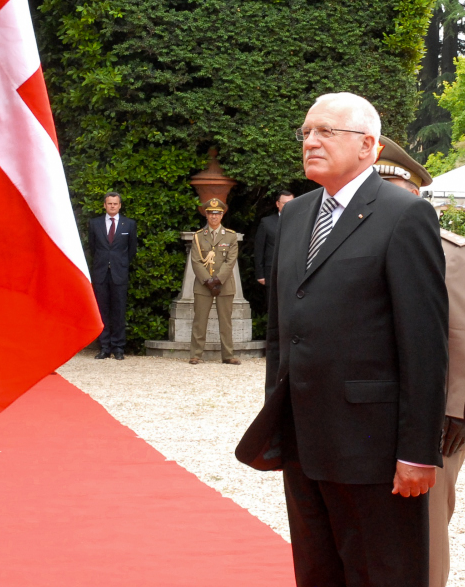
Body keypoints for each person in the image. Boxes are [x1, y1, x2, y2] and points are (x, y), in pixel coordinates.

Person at [237, 93, 449, 587]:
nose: (310, 141)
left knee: (383, 572)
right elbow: (280, 332)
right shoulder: (295, 216)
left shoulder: (403, 215)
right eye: (307, 132)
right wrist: (278, 419)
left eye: (326, 132)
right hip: (304, 441)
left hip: (372, 449)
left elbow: (424, 344)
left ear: (368, 145)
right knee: (317, 571)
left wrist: (418, 450)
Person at [374, 136, 465, 587]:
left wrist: (459, 411)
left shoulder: (449, 252)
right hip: (365, 416)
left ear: (415, 194)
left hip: (429, 424)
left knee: (422, 537)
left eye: (389, 189)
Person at [87, 193, 137, 360]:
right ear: (104, 205)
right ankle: (104, 347)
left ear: (120, 205)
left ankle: (118, 348)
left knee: (119, 311)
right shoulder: (95, 224)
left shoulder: (129, 224)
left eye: (115, 204)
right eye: (109, 204)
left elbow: (131, 250)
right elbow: (93, 248)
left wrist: (120, 264)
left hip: (119, 273)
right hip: (101, 272)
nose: (112, 206)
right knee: (102, 311)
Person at [189, 198, 240, 365]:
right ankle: (196, 354)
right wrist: (208, 281)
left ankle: (228, 355)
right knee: (200, 320)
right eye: (211, 213)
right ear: (206, 215)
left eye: (217, 213)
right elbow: (196, 261)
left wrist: (217, 280)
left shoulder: (231, 236)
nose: (214, 217)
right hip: (204, 285)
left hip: (224, 284)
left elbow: (230, 261)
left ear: (222, 215)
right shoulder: (198, 236)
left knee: (225, 321)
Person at [255, 190, 294, 286]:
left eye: (291, 203)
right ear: (278, 204)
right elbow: (259, 250)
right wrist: (260, 274)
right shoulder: (266, 222)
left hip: (293, 273)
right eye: (285, 203)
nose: (288, 206)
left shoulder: (301, 222)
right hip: (272, 272)